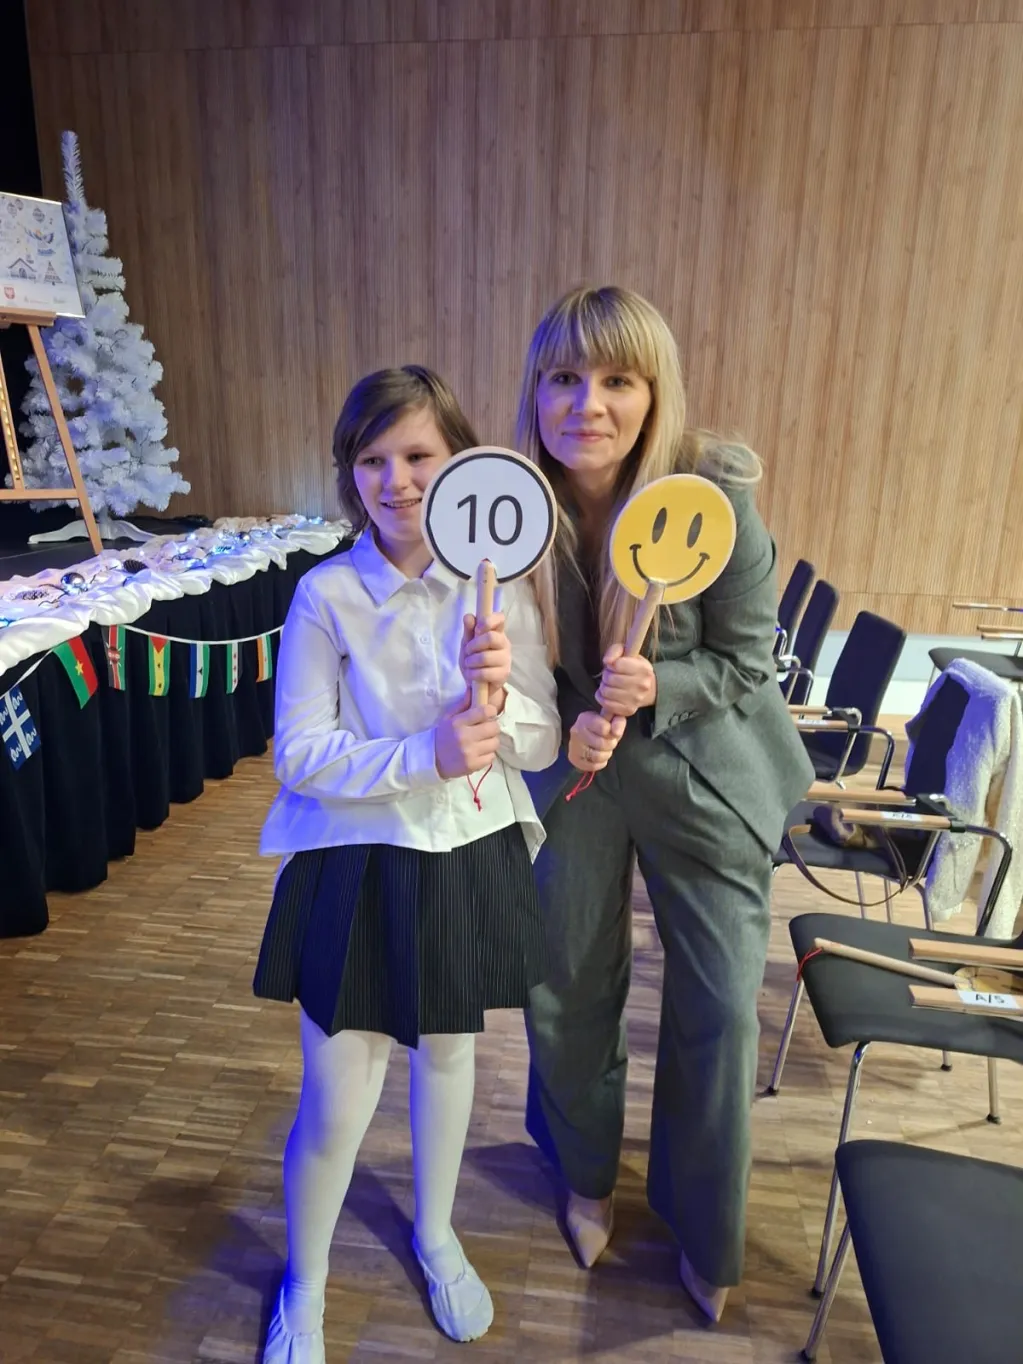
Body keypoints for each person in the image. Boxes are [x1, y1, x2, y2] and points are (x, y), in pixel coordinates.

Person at [515, 286, 814, 1321]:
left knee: (720, 1008)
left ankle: (704, 1223)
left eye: (617, 380)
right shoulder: (516, 508)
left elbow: (747, 658)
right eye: (564, 378)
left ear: (654, 392)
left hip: (704, 771)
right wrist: (554, 718)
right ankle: (582, 1173)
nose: (586, 404)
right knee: (565, 982)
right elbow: (519, 668)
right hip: (579, 773)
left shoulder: (710, 492)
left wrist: (660, 683)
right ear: (536, 389)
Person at [253, 365, 560, 1361]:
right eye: (371, 459)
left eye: (418, 454)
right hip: (352, 865)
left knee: (451, 1057)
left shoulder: (502, 587)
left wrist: (499, 698)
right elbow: (300, 755)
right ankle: (304, 1281)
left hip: (465, 855)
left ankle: (434, 1233)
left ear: (458, 459)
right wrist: (426, 752)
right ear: (349, 473)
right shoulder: (328, 593)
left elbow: (541, 743)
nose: (396, 480)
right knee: (338, 1098)